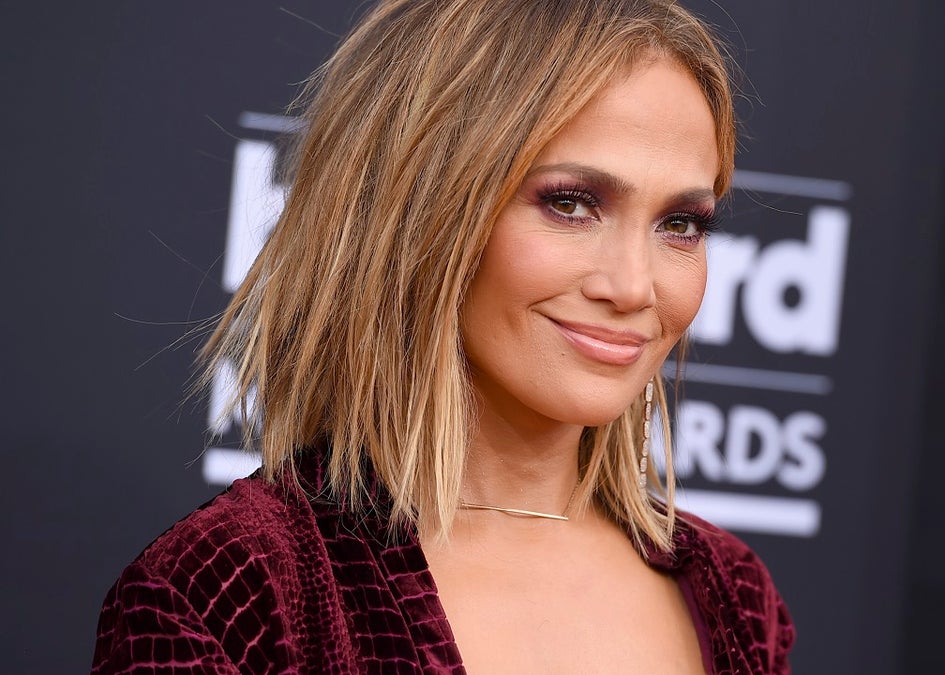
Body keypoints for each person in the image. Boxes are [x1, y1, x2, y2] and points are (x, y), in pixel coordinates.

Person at [92, 0, 795, 672]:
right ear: (423, 208)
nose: (635, 285)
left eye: (681, 224)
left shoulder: (734, 596)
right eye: (571, 204)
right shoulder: (232, 593)